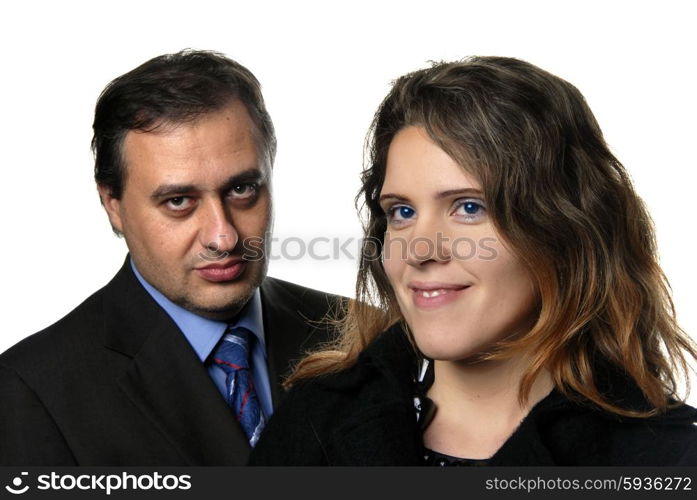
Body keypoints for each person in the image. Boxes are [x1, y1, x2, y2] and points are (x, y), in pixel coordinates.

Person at [249, 56, 697, 466]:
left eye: (469, 207)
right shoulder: (312, 423)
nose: (420, 250)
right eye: (402, 212)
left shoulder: (671, 457)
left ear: (565, 230)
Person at [0, 50, 341, 465]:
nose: (223, 236)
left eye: (242, 190)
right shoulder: (32, 391)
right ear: (113, 204)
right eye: (178, 200)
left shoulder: (359, 333)